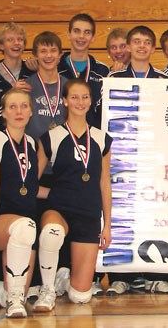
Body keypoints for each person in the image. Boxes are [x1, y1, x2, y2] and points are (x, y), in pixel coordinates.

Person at [103, 26, 168, 295]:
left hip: (155, 157)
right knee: (123, 212)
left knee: (156, 212)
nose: (142, 46)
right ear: (129, 46)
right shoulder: (114, 77)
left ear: (153, 48)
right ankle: (121, 276)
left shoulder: (164, 78)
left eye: (147, 42)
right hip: (124, 157)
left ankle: (156, 274)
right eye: (137, 42)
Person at [33, 79, 113, 311]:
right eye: (75, 97)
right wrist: (55, 194)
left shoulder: (101, 138)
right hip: (59, 209)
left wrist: (106, 225)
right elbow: (30, 184)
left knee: (80, 297)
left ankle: (64, 280)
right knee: (51, 233)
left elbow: (104, 183)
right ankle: (47, 290)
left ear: (91, 101)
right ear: (65, 101)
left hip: (88, 213)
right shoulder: (51, 137)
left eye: (85, 97)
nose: (80, 102)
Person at [0, 89, 39, 318]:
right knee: (24, 228)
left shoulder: (31, 143)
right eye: (12, 107)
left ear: (31, 111)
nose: (19, 111)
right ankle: (11, 298)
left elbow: (30, 187)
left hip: (26, 225)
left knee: (15, 293)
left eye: (24, 106)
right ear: (3, 113)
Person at [57, 14, 110, 127]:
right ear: (68, 34)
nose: (81, 36)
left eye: (87, 32)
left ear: (93, 38)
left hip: (94, 137)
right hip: (61, 136)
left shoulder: (102, 71)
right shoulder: (56, 68)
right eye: (77, 31)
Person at [0, 22, 34, 132]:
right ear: (1, 45)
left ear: (24, 45)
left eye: (20, 40)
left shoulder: (32, 71)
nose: (16, 43)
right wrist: (10, 94)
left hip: (28, 138)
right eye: (10, 40)